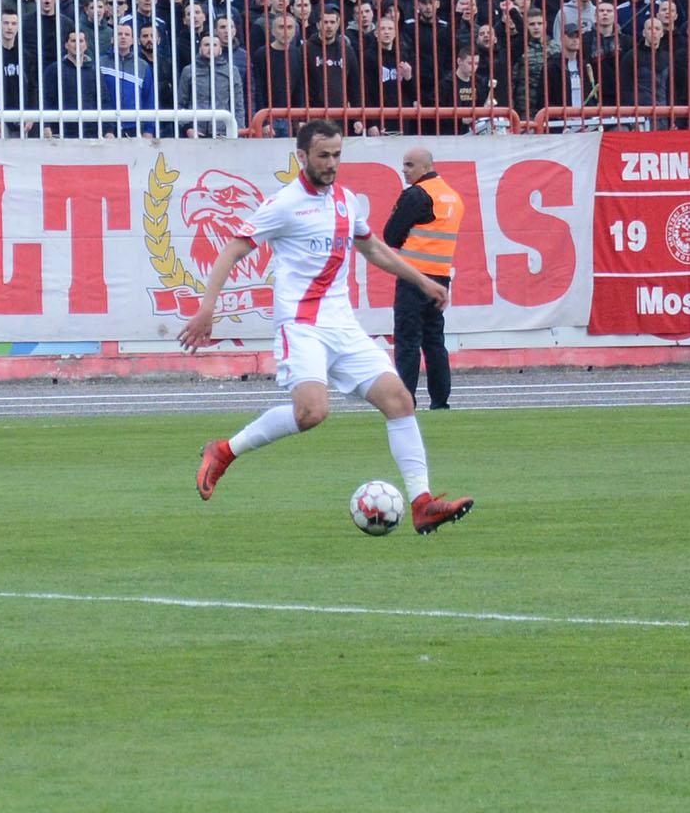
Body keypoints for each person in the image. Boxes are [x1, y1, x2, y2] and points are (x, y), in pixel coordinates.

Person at [179, 120, 473, 533]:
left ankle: (422, 503)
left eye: (337, 154)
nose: (332, 163)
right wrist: (207, 309)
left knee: (399, 400)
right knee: (312, 412)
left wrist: (422, 281)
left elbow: (372, 248)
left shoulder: (347, 201)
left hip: (342, 326)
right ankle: (223, 451)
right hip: (300, 326)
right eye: (323, 155)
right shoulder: (284, 203)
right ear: (302, 157)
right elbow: (232, 248)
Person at [380, 145, 462, 410]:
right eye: (404, 165)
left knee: (407, 341)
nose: (404, 170)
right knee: (434, 340)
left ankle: (406, 400)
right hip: (440, 278)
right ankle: (441, 401)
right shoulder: (451, 196)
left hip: (414, 277)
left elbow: (391, 235)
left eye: (409, 165)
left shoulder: (416, 195)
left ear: (426, 167)